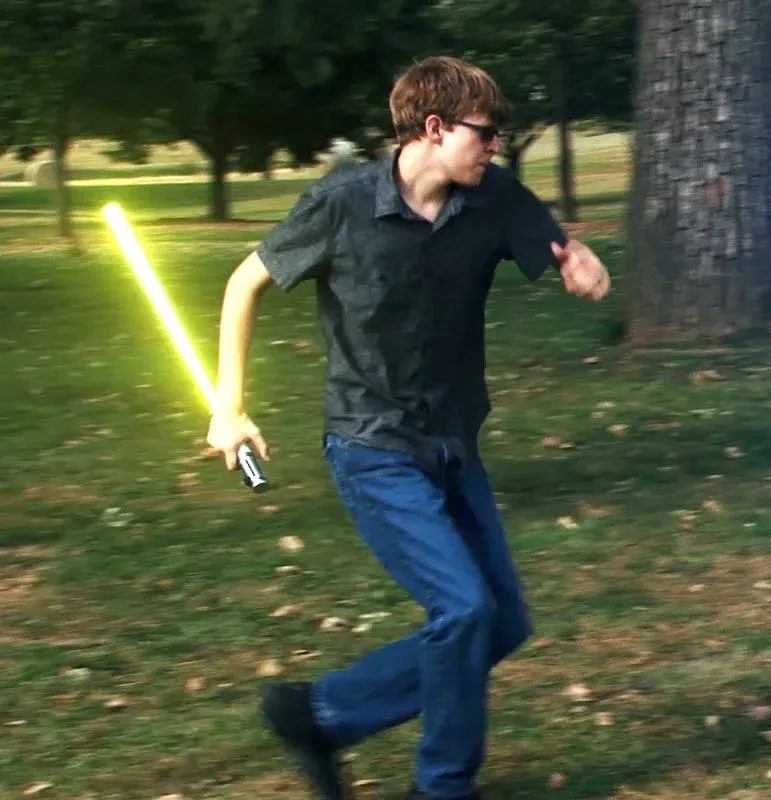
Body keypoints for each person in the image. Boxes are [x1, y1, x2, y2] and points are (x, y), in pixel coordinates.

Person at [204, 56, 611, 800]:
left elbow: (564, 251)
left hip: (453, 446)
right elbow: (244, 282)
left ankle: (319, 714)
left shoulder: (491, 198)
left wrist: (585, 266)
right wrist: (228, 409)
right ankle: (442, 787)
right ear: (434, 127)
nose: (496, 146)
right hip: (372, 446)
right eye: (485, 133)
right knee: (464, 609)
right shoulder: (341, 205)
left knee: (501, 623)